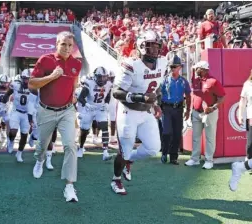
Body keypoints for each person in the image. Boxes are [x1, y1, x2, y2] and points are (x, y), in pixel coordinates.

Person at [110, 30, 167, 195]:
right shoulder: (131, 65)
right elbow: (116, 92)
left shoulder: (162, 63)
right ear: (141, 47)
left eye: (157, 47)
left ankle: (129, 160)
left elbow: (156, 88)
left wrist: (155, 103)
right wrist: (140, 97)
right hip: (128, 111)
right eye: (150, 46)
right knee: (124, 151)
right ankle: (116, 180)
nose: (155, 50)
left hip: (146, 112)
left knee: (153, 148)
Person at [29, 31, 82, 202]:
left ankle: (69, 186)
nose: (67, 48)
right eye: (63, 44)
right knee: (42, 145)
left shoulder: (76, 63)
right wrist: (52, 76)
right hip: (46, 110)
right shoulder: (45, 60)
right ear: (56, 44)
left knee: (70, 145)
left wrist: (73, 96)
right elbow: (31, 84)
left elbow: (74, 83)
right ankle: (39, 160)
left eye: (70, 45)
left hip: (67, 110)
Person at [184, 61, 225, 170]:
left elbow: (222, 97)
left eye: (196, 68)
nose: (195, 70)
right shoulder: (195, 80)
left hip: (209, 113)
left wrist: (213, 107)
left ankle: (209, 160)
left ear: (202, 69)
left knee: (210, 138)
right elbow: (194, 94)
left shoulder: (213, 81)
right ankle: (195, 159)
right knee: (195, 137)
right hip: (196, 112)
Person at [77, 66, 113, 160]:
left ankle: (105, 151)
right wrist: (87, 105)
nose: (102, 79)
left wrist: (106, 103)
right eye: (100, 77)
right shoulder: (89, 83)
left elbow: (108, 96)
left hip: (100, 108)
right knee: (84, 130)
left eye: (104, 77)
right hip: (89, 107)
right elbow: (80, 97)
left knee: (104, 126)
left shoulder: (109, 84)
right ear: (95, 76)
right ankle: (80, 147)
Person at [160, 55, 191, 165]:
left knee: (177, 133)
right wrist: (157, 108)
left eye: (175, 66)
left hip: (178, 109)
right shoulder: (164, 80)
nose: (172, 68)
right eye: (171, 66)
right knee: (167, 132)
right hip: (166, 109)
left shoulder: (184, 81)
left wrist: (187, 110)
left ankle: (173, 157)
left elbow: (188, 95)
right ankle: (164, 153)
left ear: (180, 67)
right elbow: (158, 93)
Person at [229, 69, 252, 191]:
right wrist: (240, 115)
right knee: (250, 147)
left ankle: (240, 167)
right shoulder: (248, 84)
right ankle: (241, 167)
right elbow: (243, 100)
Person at [3, 70, 32, 162]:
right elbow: (8, 93)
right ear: (21, 78)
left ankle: (19, 153)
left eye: (28, 79)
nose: (26, 81)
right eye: (24, 79)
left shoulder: (34, 87)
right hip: (16, 111)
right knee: (13, 131)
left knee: (24, 135)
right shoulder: (15, 84)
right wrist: (4, 101)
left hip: (27, 113)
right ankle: (11, 141)